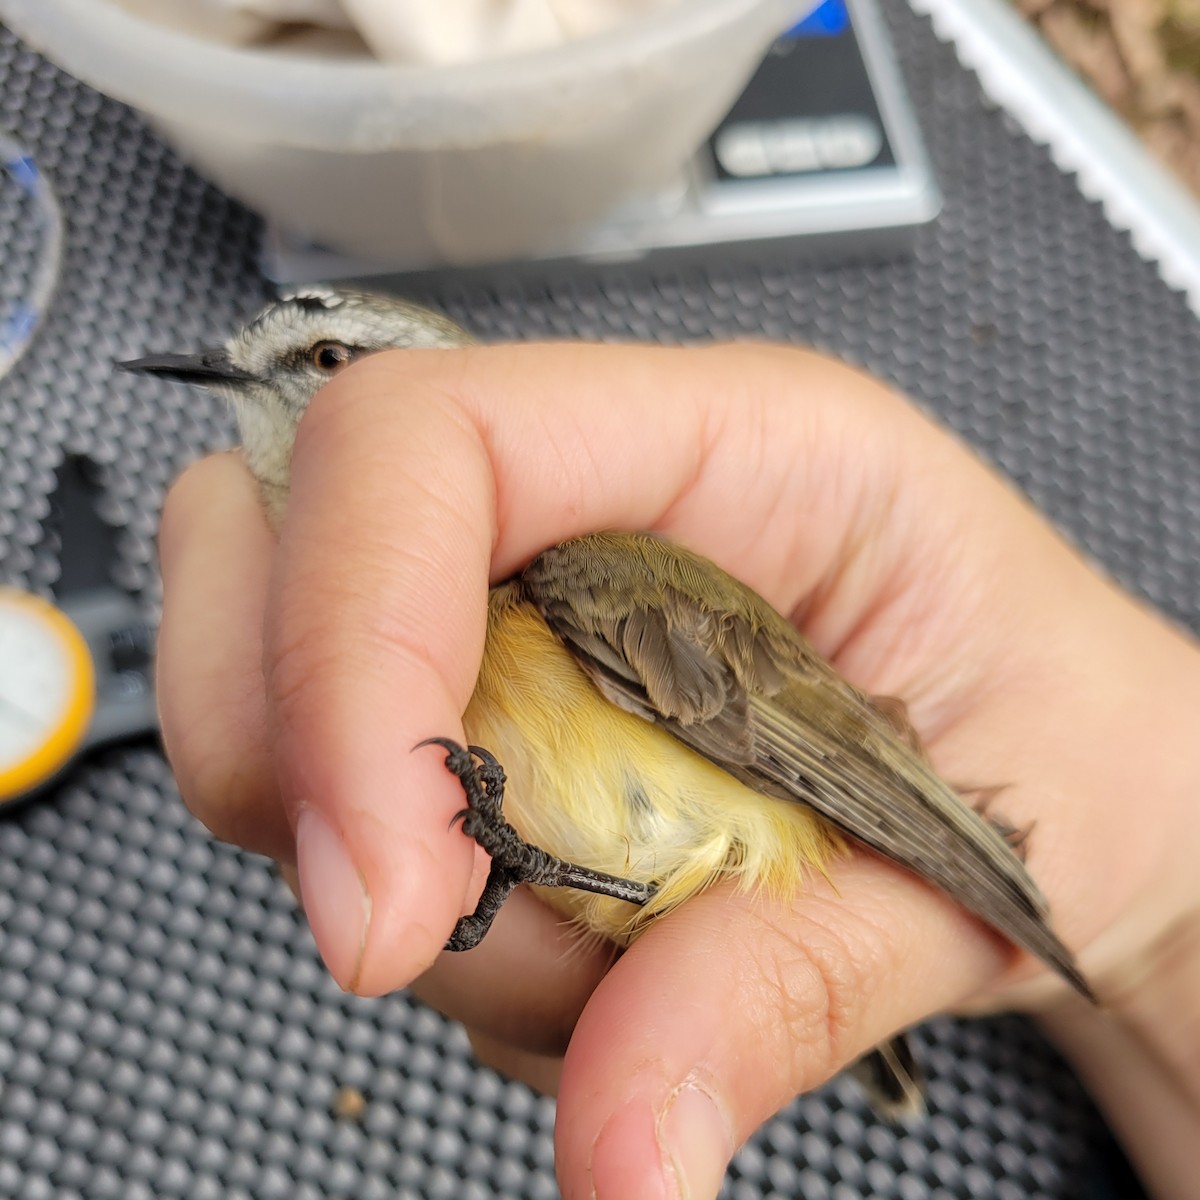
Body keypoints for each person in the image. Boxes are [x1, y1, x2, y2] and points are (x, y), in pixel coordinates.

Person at [155, 340, 1199, 1200]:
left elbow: (814, 766)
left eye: (332, 355)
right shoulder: (449, 645)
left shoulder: (582, 579)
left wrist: (1139, 919)